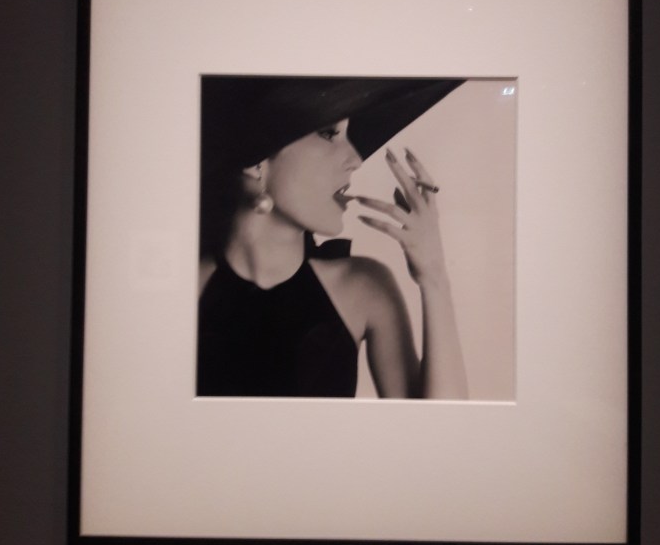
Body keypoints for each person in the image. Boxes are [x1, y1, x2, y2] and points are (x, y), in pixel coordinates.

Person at [197, 76, 468, 400]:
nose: (355, 159)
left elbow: (437, 435)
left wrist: (434, 275)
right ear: (257, 161)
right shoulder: (184, 290)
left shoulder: (364, 288)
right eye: (329, 133)